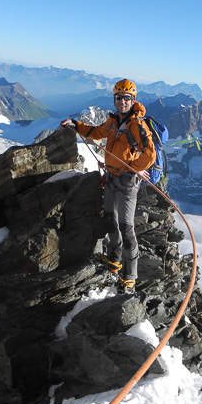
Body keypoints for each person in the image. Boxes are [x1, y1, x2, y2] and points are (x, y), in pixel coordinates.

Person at [60, 79, 156, 294]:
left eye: (126, 98)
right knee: (110, 220)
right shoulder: (113, 122)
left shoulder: (137, 125)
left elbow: (150, 154)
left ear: (133, 100)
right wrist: (75, 125)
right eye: (119, 97)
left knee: (126, 227)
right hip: (112, 177)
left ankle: (130, 277)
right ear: (114, 99)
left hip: (127, 182)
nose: (122, 101)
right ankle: (114, 260)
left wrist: (133, 167)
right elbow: (95, 133)